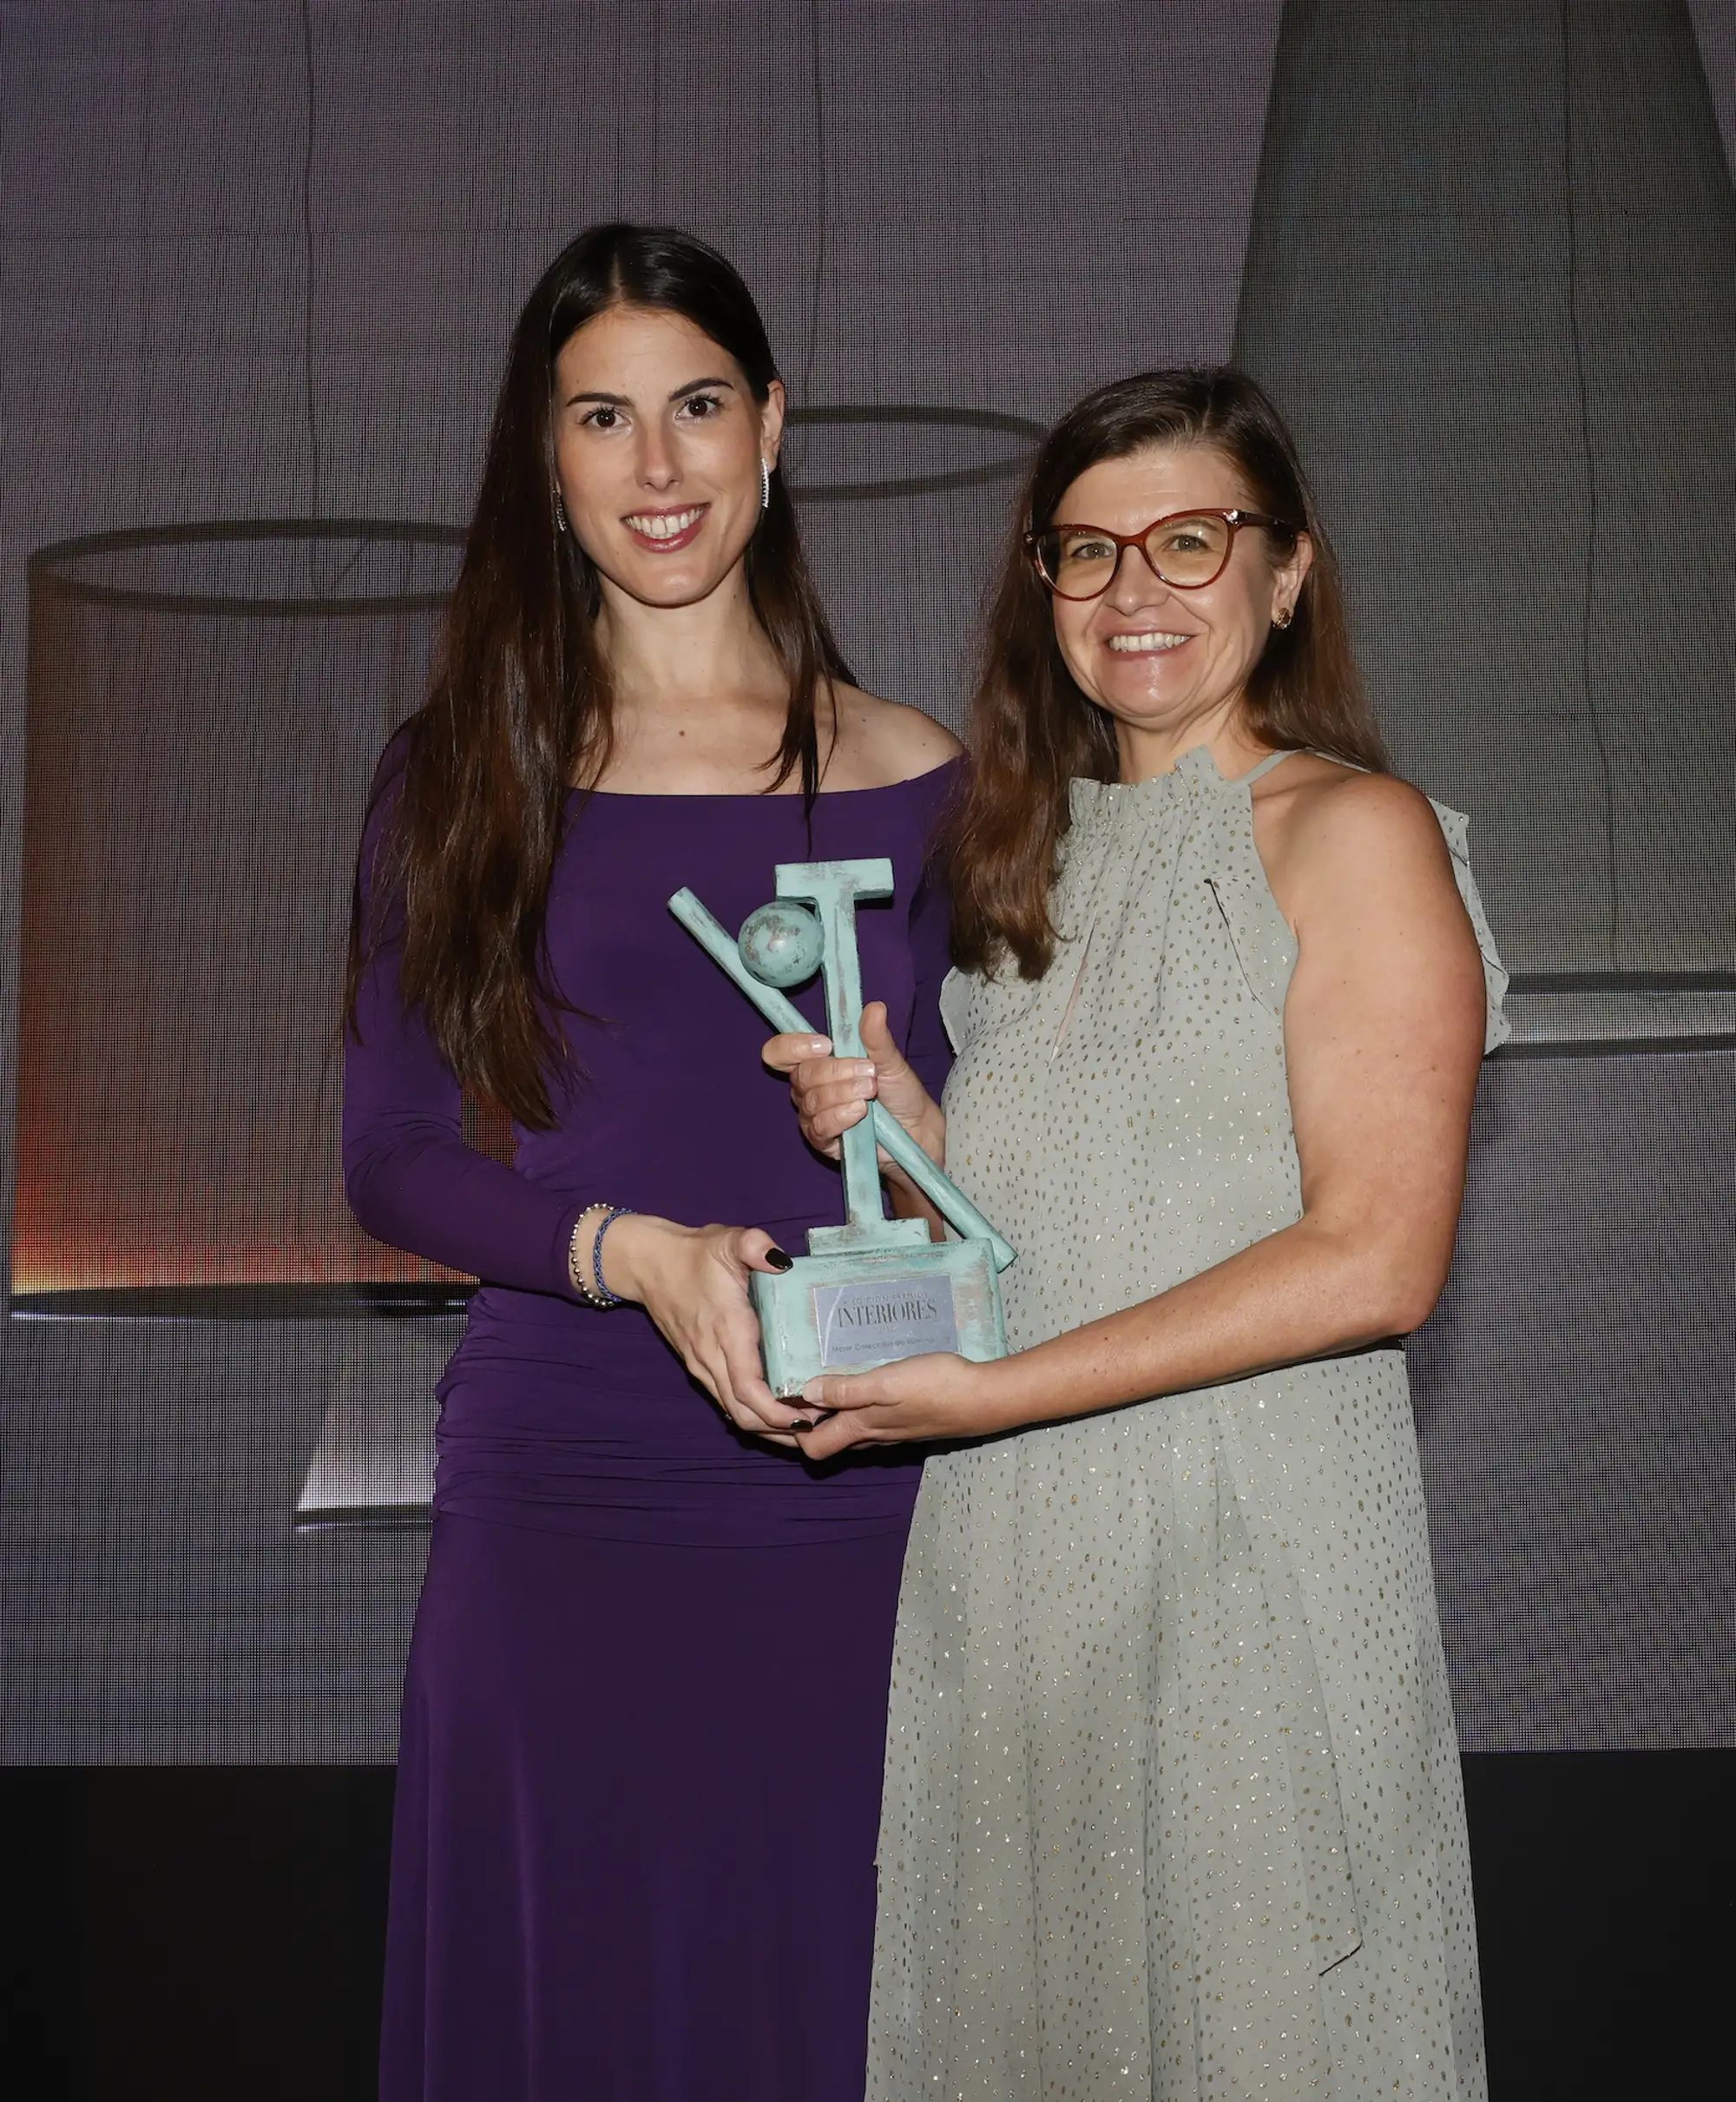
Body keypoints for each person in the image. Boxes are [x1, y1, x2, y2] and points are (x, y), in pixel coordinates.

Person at [769, 368, 1506, 2100]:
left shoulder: (1355, 836)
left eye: (1187, 540)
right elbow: (1051, 1228)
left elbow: (1374, 1260)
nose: (1130, 592)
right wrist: (905, 1138)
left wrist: (988, 1397)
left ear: (1285, 571)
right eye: (1083, 552)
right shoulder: (1024, 863)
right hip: (1015, 1566)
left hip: (1243, 1558)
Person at [343, 222, 960, 2102]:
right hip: (562, 1482)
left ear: (773, 428)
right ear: (547, 461)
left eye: (696, 406)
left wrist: (935, 1148)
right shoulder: (460, 768)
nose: (660, 465)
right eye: (603, 418)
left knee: (840, 1987)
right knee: (568, 1995)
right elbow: (391, 1159)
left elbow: (981, 1178)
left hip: (854, 1472)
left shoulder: (927, 768)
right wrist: (636, 1251)